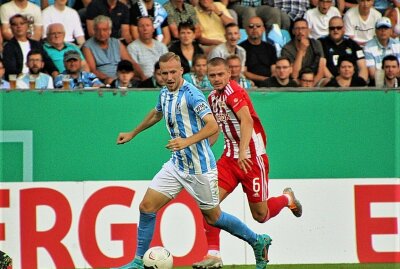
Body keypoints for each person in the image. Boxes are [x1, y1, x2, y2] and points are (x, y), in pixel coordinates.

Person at [115, 51, 272, 269]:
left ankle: (257, 240)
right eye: (164, 73)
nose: (169, 77)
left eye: (173, 72)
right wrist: (133, 132)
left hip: (199, 168)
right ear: (159, 74)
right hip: (177, 164)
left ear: (181, 71)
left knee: (214, 217)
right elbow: (156, 114)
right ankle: (138, 262)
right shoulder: (164, 93)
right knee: (146, 206)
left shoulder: (192, 94)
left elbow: (212, 125)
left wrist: (187, 141)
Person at [192, 57, 302, 269]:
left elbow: (247, 120)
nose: (216, 79)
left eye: (220, 75)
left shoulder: (235, 92)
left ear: (229, 74)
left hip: (252, 159)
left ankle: (287, 198)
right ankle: (213, 255)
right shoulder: (213, 98)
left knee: (261, 216)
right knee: (208, 204)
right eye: (212, 75)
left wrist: (243, 152)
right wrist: (202, 148)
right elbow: (215, 130)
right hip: (229, 159)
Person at [82, 15, 146, 85]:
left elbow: (131, 62)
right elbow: (92, 70)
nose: (101, 33)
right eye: (98, 30)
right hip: (102, 80)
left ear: (110, 31)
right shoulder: (87, 46)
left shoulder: (116, 43)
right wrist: (110, 79)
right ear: (94, 30)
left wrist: (143, 78)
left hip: (122, 76)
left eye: (104, 30)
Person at [2, 14, 58, 80]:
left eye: (22, 23)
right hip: (19, 81)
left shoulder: (36, 44)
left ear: (27, 26)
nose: (18, 26)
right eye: (14, 24)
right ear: (11, 28)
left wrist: (54, 72)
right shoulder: (9, 47)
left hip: (38, 78)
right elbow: (10, 69)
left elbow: (47, 61)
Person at [319, 16, 369, 82]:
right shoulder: (321, 43)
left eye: (339, 28)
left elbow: (362, 67)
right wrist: (335, 82)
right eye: (332, 28)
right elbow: (322, 67)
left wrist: (360, 83)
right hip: (330, 82)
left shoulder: (352, 44)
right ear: (328, 30)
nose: (335, 30)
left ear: (343, 29)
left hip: (351, 82)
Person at [281, 18, 327, 86]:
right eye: (297, 28)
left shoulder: (316, 43)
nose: (300, 31)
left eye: (303, 28)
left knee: (327, 81)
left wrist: (311, 85)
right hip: (298, 81)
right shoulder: (287, 49)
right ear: (293, 31)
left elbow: (321, 70)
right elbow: (294, 75)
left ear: (308, 30)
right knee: (293, 82)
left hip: (314, 80)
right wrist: (301, 51)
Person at [239, 16, 277, 87]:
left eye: (258, 26)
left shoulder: (270, 47)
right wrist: (265, 79)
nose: (254, 28)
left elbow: (274, 69)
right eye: (251, 26)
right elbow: (243, 72)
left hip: (269, 84)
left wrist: (271, 80)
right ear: (246, 30)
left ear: (263, 29)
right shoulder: (240, 49)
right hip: (250, 84)